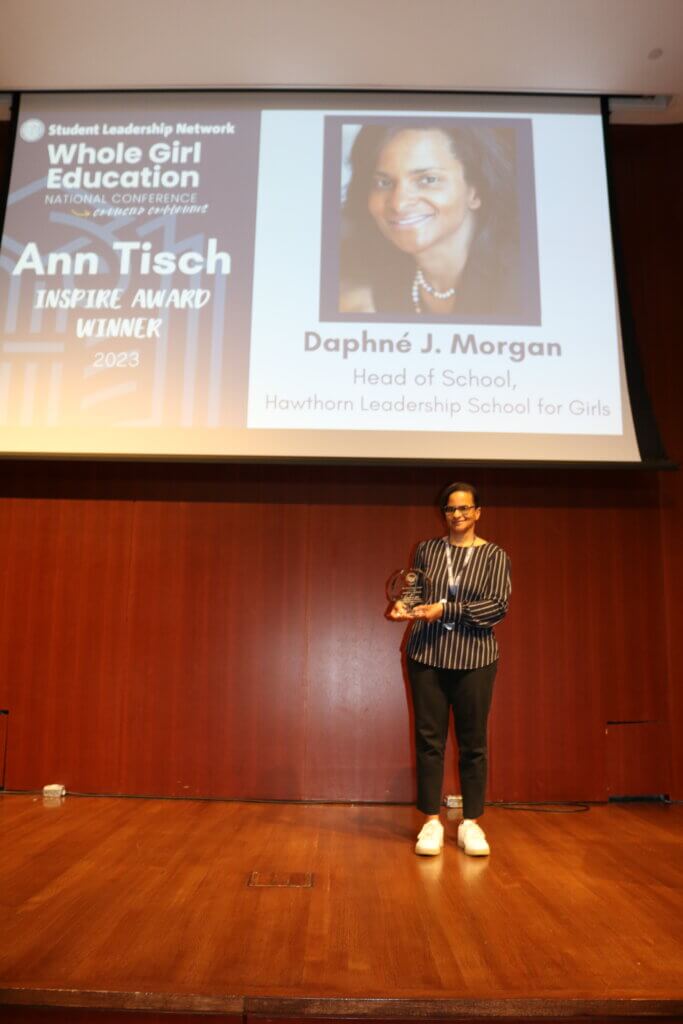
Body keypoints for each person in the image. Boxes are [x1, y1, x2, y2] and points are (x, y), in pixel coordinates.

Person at [390, 482, 511, 857]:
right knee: (430, 742)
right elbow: (417, 593)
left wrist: (448, 610)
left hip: (475, 660)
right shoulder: (427, 550)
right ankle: (430, 822)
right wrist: (404, 609)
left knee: (473, 744)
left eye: (464, 509)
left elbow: (496, 608)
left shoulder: (494, 556)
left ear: (478, 512)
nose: (456, 515)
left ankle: (471, 823)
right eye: (450, 509)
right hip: (427, 656)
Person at [339, 122, 521, 319]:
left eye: (428, 180)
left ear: (475, 192)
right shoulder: (383, 280)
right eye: (384, 183)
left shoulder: (521, 283)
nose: (399, 203)